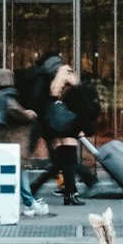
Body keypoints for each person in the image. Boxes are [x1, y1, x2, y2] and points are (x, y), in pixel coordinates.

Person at [0, 68, 48, 217]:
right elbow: (14, 110)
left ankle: (17, 203)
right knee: (21, 170)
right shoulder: (6, 95)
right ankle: (29, 203)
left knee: (7, 172)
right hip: (12, 139)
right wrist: (28, 114)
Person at [30, 64, 92, 206]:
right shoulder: (73, 90)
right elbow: (84, 108)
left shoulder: (54, 90)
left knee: (63, 163)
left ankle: (67, 193)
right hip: (70, 129)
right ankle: (70, 195)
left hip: (56, 130)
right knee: (69, 163)